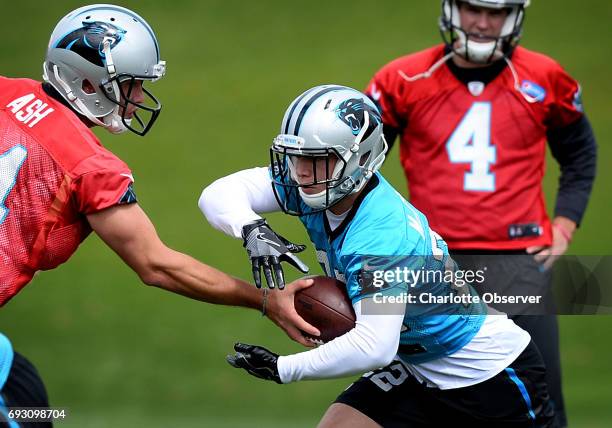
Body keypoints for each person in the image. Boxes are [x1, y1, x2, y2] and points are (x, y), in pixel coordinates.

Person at [0, 4, 317, 425]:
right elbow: (157, 266)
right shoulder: (92, 168)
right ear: (89, 80)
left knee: (29, 396)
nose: (137, 98)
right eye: (129, 84)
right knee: (28, 410)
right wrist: (263, 299)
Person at [200, 84, 555, 427]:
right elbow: (218, 194)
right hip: (416, 366)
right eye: (295, 157)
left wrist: (284, 368)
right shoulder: (317, 186)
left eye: (316, 159)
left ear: (361, 159)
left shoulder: (381, 234)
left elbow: (374, 346)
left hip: (488, 378)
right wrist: (252, 228)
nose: (301, 171)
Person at [365, 1, 597, 425]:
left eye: (498, 13)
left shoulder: (545, 76)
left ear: (515, 17)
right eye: (474, 8)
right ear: (452, 9)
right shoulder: (401, 79)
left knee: (541, 406)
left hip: (519, 262)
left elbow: (580, 151)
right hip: (433, 265)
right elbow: (358, 167)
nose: (484, 22)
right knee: (422, 396)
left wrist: (565, 223)